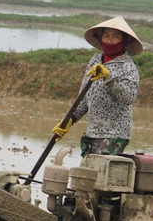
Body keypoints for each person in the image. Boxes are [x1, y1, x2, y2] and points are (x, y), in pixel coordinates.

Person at [52, 16, 142, 157]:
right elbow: (84, 97)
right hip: (92, 131)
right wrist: (69, 120)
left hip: (114, 134)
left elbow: (129, 97)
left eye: (115, 37)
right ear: (100, 38)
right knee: (87, 173)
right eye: (106, 36)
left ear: (124, 41)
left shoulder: (128, 67)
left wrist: (109, 78)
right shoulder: (94, 61)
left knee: (100, 173)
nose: (109, 41)